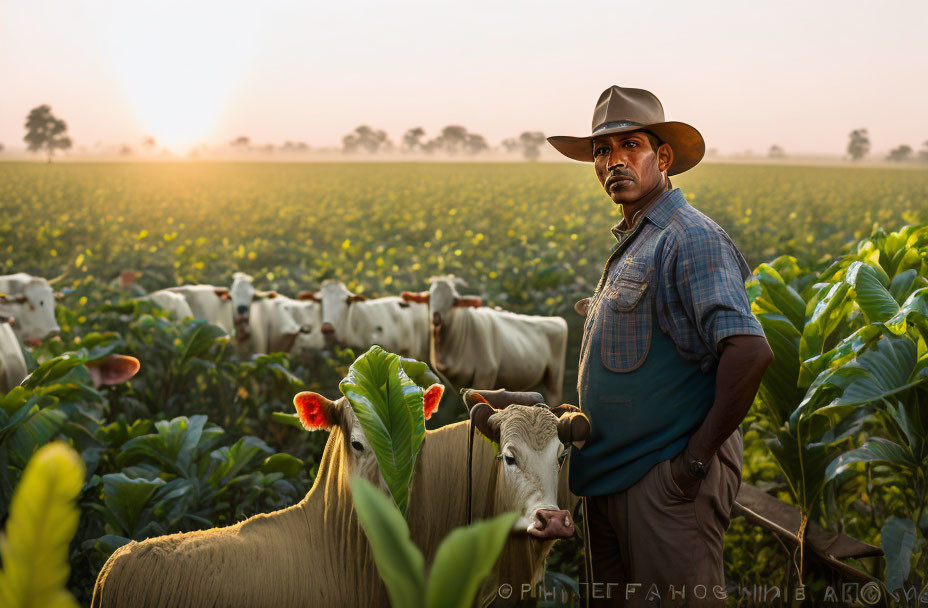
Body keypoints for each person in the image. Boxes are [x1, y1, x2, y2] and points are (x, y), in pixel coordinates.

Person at [547, 85, 773, 607]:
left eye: (632, 146)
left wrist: (691, 465)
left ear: (662, 157)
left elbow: (749, 350)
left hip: (662, 482)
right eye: (603, 151)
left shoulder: (688, 236)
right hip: (609, 477)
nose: (614, 162)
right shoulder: (637, 240)